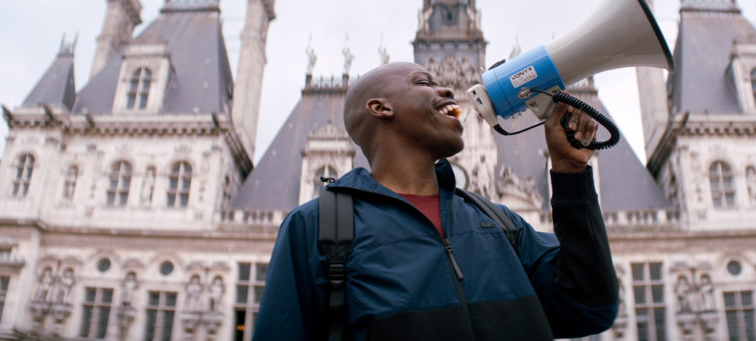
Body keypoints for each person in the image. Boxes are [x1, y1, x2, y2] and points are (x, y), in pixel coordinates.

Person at [255, 62, 620, 340]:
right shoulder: (319, 227)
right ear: (380, 108)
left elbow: (591, 307)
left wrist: (571, 174)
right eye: (424, 83)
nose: (448, 90)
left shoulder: (498, 221)